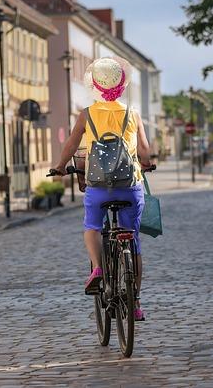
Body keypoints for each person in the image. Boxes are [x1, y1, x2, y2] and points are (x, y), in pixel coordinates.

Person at [51, 56, 153, 321]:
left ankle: (97, 269)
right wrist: (147, 162)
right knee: (133, 239)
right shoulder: (133, 114)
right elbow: (144, 150)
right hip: (130, 186)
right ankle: (135, 303)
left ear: (95, 85)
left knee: (92, 226)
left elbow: (71, 146)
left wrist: (61, 167)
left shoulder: (87, 114)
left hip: (98, 187)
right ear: (122, 85)